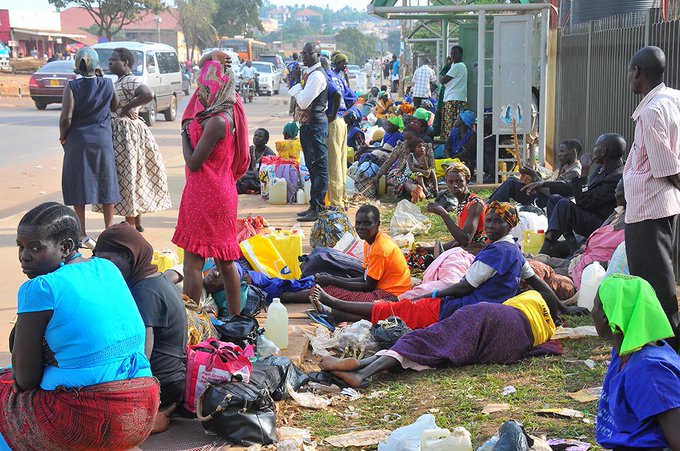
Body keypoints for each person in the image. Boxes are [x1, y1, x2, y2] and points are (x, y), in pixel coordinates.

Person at [0, 203, 159, 449]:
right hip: (142, 407)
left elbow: (25, 380)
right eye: (20, 247)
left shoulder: (41, 288)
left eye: (35, 247)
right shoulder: (107, 268)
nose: (24, 256)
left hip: (88, 418)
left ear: (65, 247)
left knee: (6, 391)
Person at [309, 202, 587, 331]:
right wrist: (562, 308)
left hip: (460, 307)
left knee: (397, 309)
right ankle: (334, 311)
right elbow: (537, 283)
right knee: (400, 311)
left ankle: (333, 303)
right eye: (488, 221)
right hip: (469, 304)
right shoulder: (511, 249)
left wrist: (435, 294)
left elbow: (466, 286)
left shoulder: (496, 253)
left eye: (496, 222)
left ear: (509, 225)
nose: (489, 226)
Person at [320, 290, 566, 388]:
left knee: (429, 340)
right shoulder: (548, 330)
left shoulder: (532, 296)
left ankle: (363, 370)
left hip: (489, 317)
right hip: (508, 346)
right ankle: (362, 367)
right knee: (443, 353)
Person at [173, 51, 250, 317]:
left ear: (215, 87)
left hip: (203, 192)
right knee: (226, 260)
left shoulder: (215, 121)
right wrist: (213, 57)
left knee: (193, 263)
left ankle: (191, 320)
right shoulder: (228, 111)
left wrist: (184, 135)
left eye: (206, 86)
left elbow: (194, 162)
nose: (201, 91)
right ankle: (236, 317)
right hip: (223, 191)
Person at [94, 223, 187, 425]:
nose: (103, 267)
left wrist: (130, 393)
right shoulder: (154, 280)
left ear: (129, 256)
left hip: (163, 384)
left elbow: (143, 353)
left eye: (107, 260)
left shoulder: (144, 292)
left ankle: (154, 420)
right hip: (172, 379)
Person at [624, 46, 680, 351]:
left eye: (630, 72)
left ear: (637, 73)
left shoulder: (651, 110)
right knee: (658, 277)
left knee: (655, 283)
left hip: (649, 208)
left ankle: (667, 349)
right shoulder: (673, 98)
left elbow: (667, 167)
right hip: (660, 205)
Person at [592, 274, 680, 449]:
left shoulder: (649, 370)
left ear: (606, 316)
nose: (591, 311)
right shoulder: (625, 353)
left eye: (595, 305)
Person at [96, 47, 171, 232]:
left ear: (125, 63)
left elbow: (147, 94)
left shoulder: (130, 80)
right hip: (126, 134)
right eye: (110, 60)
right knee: (133, 174)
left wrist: (125, 108)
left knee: (129, 175)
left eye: (114, 60)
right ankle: (136, 221)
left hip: (126, 134)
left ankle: (130, 224)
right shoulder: (120, 81)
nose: (110, 63)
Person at [58, 47, 119, 245]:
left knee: (79, 184)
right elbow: (115, 106)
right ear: (97, 66)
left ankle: (82, 232)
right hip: (102, 141)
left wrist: (62, 137)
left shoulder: (72, 87)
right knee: (106, 182)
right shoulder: (108, 83)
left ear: (77, 65)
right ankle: (109, 230)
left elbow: (66, 118)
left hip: (78, 142)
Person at [307, 205, 411, 313]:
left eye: (367, 223)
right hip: (379, 288)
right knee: (327, 287)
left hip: (391, 294)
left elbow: (368, 286)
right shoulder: (369, 242)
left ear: (378, 224)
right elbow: (364, 278)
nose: (361, 227)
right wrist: (331, 278)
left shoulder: (380, 248)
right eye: (358, 223)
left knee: (327, 291)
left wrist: (332, 280)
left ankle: (333, 308)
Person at [538, 133, 625, 257]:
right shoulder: (602, 168)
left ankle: (546, 248)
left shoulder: (616, 177)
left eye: (596, 147)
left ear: (603, 151)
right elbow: (579, 190)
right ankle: (572, 246)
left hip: (602, 224)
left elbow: (585, 202)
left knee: (564, 205)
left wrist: (584, 171)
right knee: (554, 200)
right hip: (590, 215)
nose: (593, 151)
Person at [290, 42, 329, 222]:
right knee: (312, 167)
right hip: (308, 125)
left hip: (315, 126)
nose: (304, 56)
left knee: (319, 168)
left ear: (317, 54)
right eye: (302, 53)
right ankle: (314, 205)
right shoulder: (310, 74)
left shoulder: (317, 77)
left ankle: (319, 207)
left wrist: (296, 84)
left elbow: (304, 102)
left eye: (308, 53)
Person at [489, 139, 582, 208]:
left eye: (562, 151)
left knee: (511, 184)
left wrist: (534, 178)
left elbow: (556, 193)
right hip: (546, 198)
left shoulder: (575, 172)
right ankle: (490, 204)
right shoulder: (566, 166)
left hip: (549, 203)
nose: (559, 154)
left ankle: (490, 208)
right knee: (512, 179)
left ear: (573, 152)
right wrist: (533, 176)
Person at [422, 163, 487, 254]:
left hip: (481, 251)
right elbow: (458, 239)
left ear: (467, 181)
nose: (455, 185)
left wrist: (444, 214)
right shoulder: (463, 203)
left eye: (459, 181)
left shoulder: (475, 205)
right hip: (470, 248)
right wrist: (428, 250)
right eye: (450, 182)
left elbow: (465, 239)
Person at [373, 121, 433, 202]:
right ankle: (416, 192)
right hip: (401, 173)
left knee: (417, 178)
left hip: (419, 175)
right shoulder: (401, 146)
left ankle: (419, 192)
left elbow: (432, 167)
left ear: (417, 137)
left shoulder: (426, 148)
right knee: (404, 180)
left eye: (409, 138)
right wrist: (378, 176)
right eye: (405, 138)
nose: (406, 141)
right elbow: (389, 162)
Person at [326, 53, 356, 210]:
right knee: (341, 162)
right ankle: (342, 198)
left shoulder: (329, 76)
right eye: (344, 64)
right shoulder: (340, 78)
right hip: (342, 122)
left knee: (335, 163)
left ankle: (336, 202)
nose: (345, 67)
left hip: (335, 121)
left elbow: (338, 95)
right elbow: (351, 98)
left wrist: (331, 116)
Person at [440, 45, 468, 140]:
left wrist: (447, 65)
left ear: (461, 54)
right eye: (451, 53)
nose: (453, 55)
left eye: (455, 53)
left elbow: (443, 80)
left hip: (453, 100)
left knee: (450, 127)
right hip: (456, 98)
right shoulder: (458, 66)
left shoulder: (458, 66)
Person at [237, 128, 275, 194]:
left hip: (262, 182)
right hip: (249, 177)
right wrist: (251, 174)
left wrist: (246, 175)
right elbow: (242, 168)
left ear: (266, 140)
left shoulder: (269, 154)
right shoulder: (250, 150)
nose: (256, 138)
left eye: (260, 137)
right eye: (255, 135)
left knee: (245, 182)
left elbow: (264, 175)